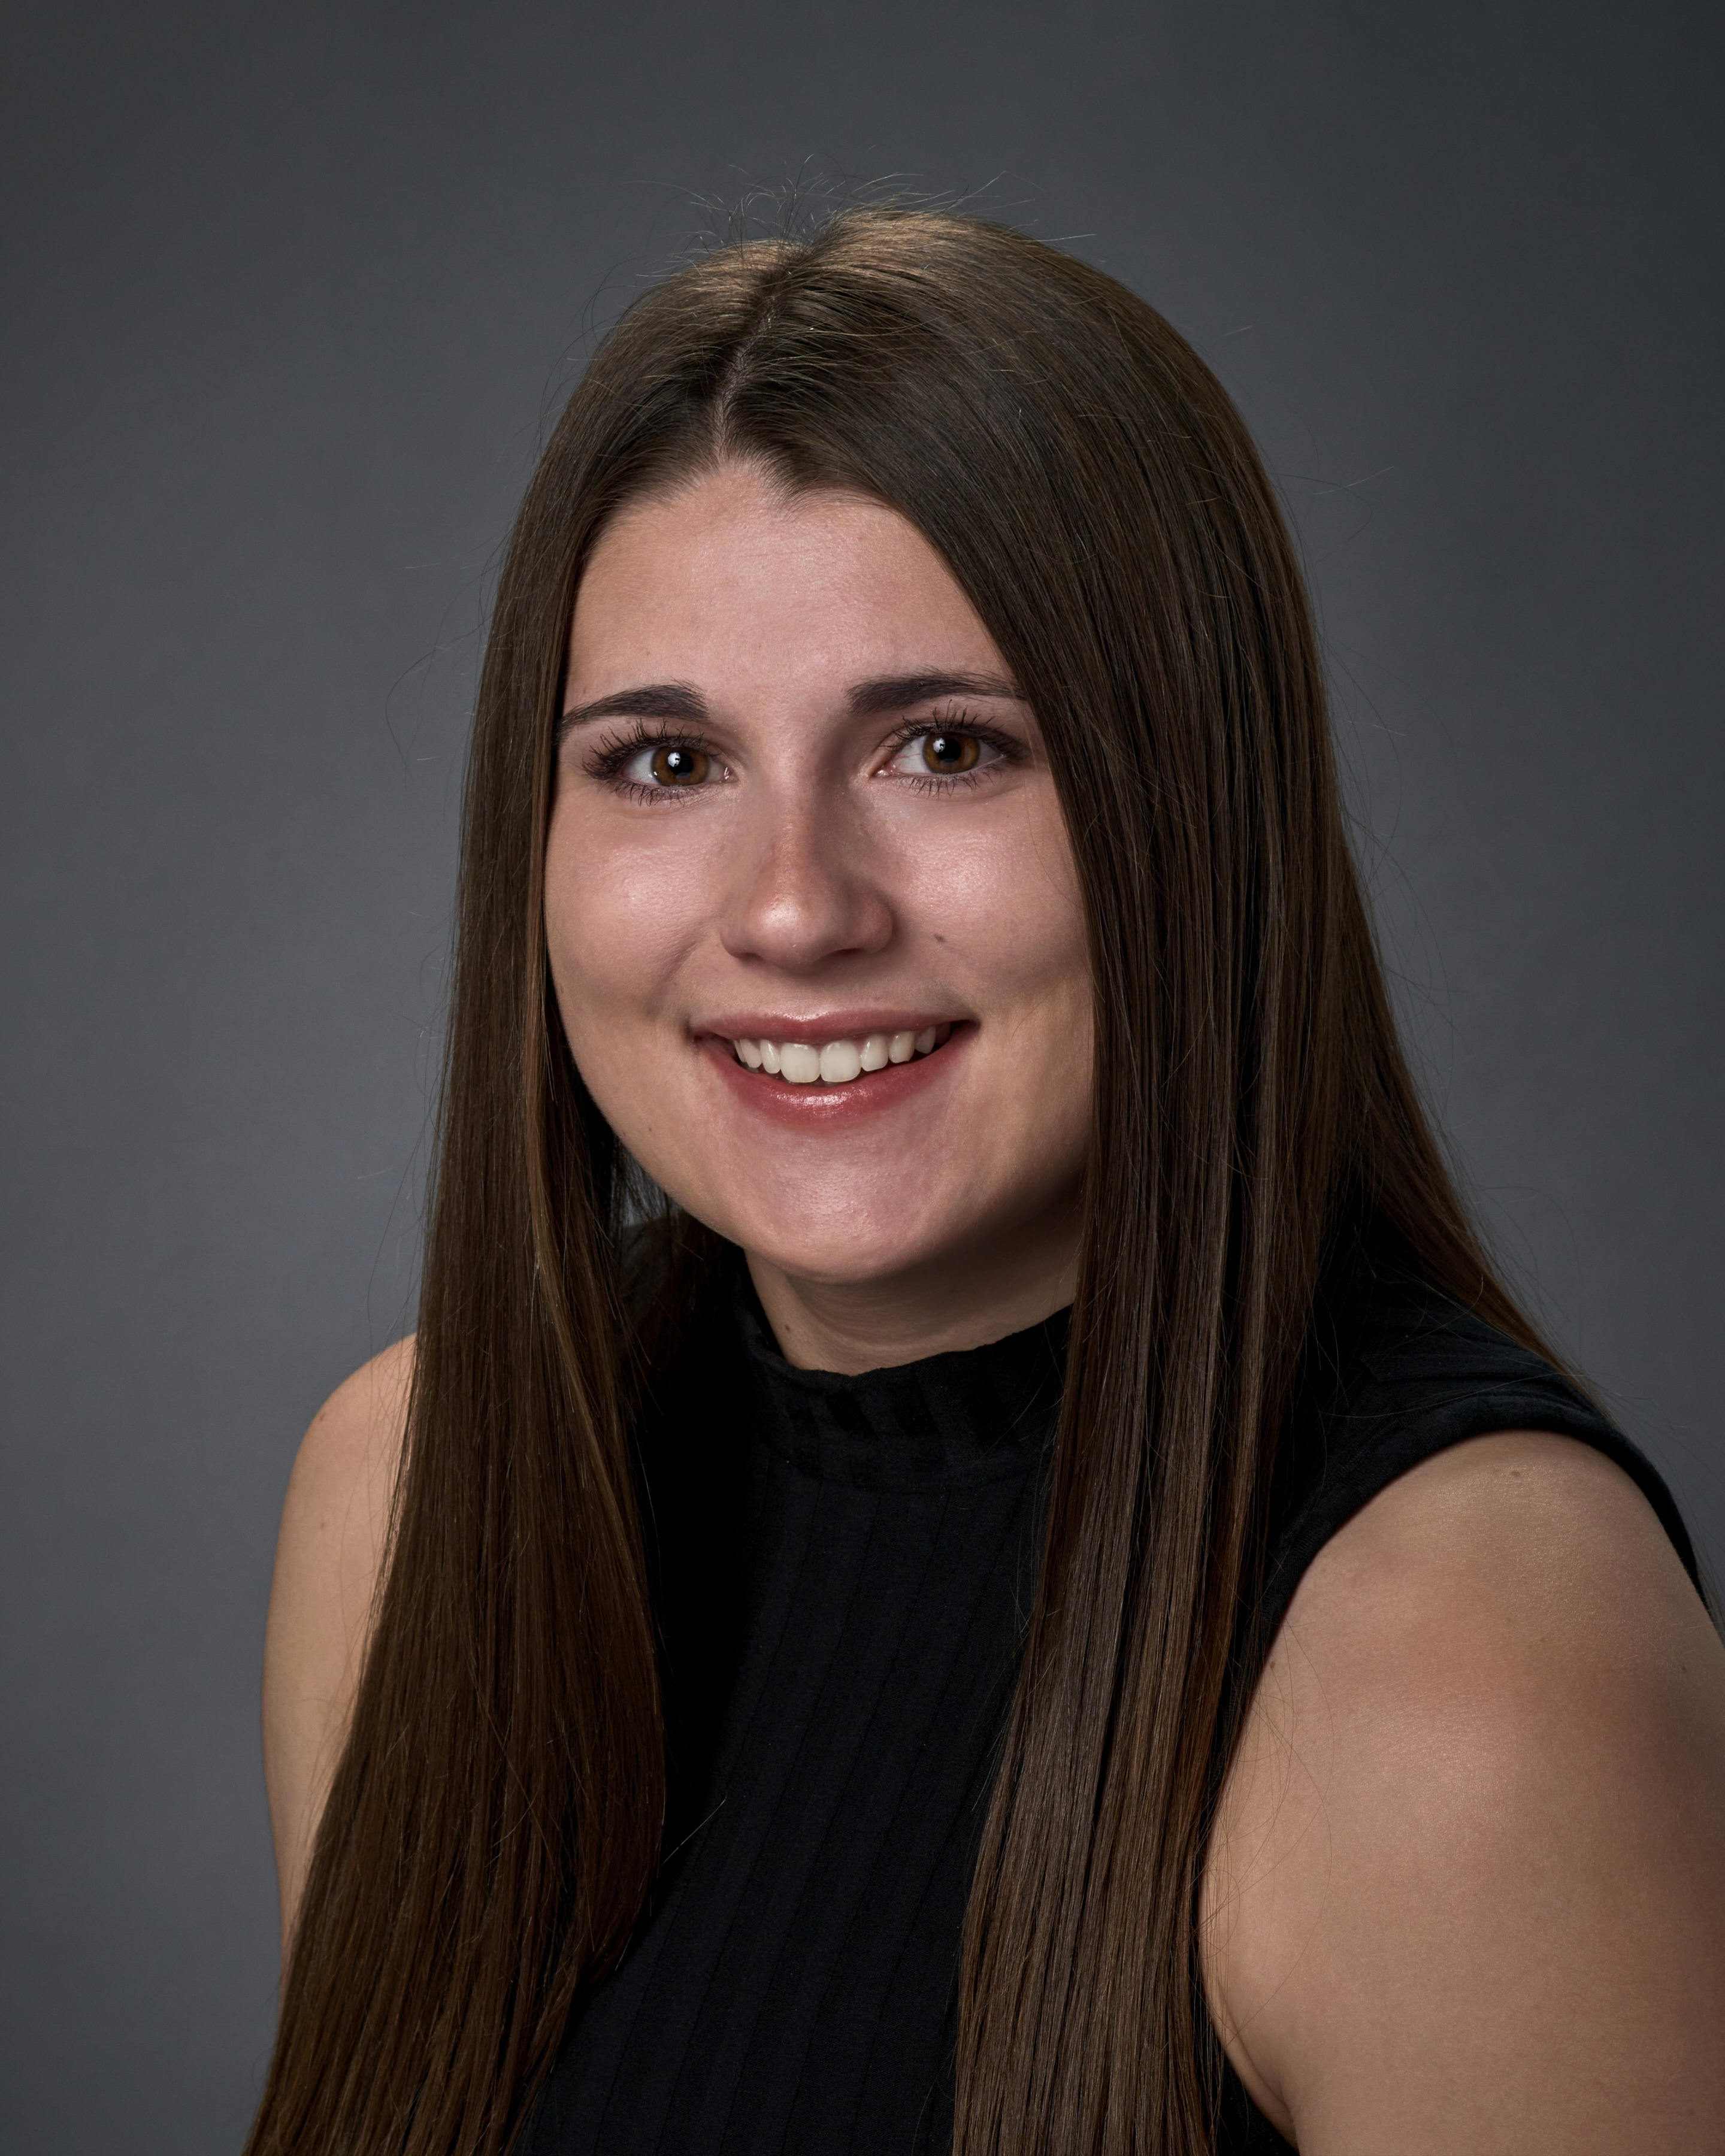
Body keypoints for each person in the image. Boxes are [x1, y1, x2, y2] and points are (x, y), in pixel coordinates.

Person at [246, 208, 1725, 2156]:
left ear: (1187, 810)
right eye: (665, 764)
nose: (794, 909)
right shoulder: (419, 1501)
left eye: (947, 749)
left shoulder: (1465, 1659)